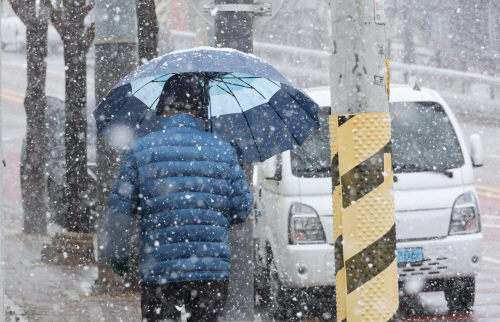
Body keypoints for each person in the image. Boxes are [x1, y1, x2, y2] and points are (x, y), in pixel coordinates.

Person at [105, 74, 254, 322]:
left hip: (160, 267)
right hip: (210, 270)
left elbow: (121, 211)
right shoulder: (223, 150)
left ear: (163, 107)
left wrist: (118, 255)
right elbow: (241, 208)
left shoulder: (140, 150)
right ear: (200, 109)